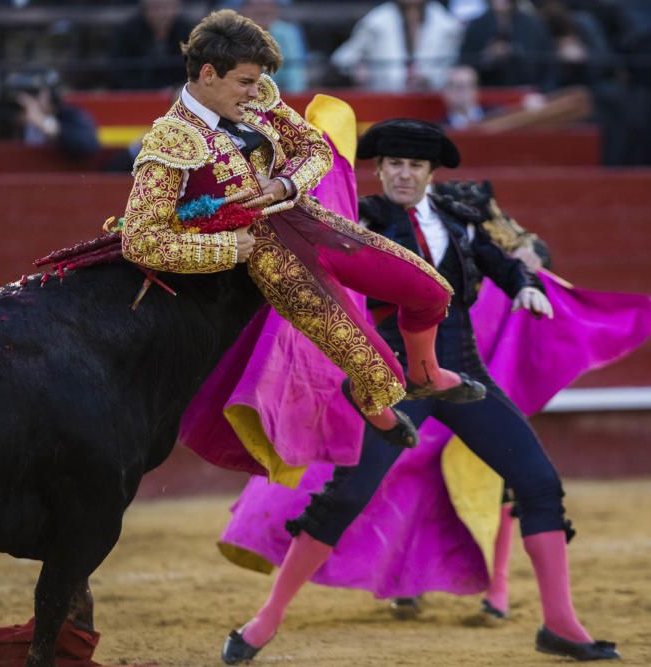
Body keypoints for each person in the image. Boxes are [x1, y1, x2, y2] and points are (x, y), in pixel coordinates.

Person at [218, 119, 622, 664]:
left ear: (431, 174)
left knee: (539, 483)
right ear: (380, 171)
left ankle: (561, 624)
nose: (404, 173)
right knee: (347, 498)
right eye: (394, 165)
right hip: (391, 385)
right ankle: (264, 622)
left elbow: (502, 264)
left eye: (414, 166)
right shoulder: (361, 220)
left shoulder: (461, 220)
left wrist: (526, 288)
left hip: (463, 376)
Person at [116, 10, 487, 478]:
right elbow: (140, 240)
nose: (256, 92)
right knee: (377, 373)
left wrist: (285, 186)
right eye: (246, 81)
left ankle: (426, 374)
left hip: (309, 220)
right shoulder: (170, 143)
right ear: (208, 74)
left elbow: (315, 149)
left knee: (431, 291)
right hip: (271, 259)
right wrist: (229, 251)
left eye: (257, 81)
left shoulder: (257, 99)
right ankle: (379, 406)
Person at [330, 0, 463, 91]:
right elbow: (342, 59)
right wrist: (358, 67)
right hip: (385, 103)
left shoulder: (447, 25)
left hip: (432, 104)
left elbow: (456, 67)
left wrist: (430, 79)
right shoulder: (375, 22)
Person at [0, 68, 100, 160]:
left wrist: (42, 122)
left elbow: (88, 145)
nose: (31, 99)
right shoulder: (11, 121)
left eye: (36, 93)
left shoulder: (69, 115)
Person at [458, 0, 558, 90]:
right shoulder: (476, 26)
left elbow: (548, 65)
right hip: (488, 94)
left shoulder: (534, 26)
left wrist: (542, 93)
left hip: (528, 93)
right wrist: (487, 57)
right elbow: (465, 63)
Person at [109, 0, 195, 90]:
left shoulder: (189, 33)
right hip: (138, 96)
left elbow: (196, 71)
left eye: (166, 7)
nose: (161, 14)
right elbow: (118, 73)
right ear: (144, 9)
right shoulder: (126, 33)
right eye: (155, 8)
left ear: (176, 7)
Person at [236, 0, 309, 93]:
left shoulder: (288, 32)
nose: (262, 10)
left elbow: (295, 72)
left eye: (268, 5)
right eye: (254, 5)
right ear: (243, 9)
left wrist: (295, 98)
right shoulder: (231, 34)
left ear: (277, 9)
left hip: (281, 96)